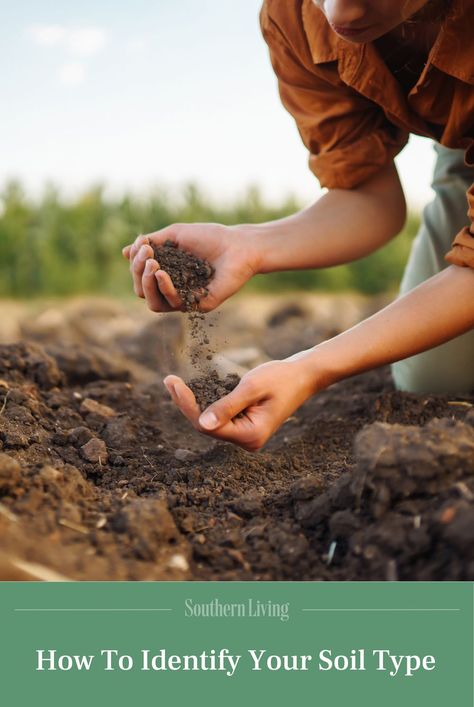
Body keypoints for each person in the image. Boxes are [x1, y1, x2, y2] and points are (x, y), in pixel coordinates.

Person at [123, 0, 474, 452]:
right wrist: (249, 244)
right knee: (434, 378)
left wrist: (312, 367)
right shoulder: (294, 17)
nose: (340, 15)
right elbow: (368, 199)